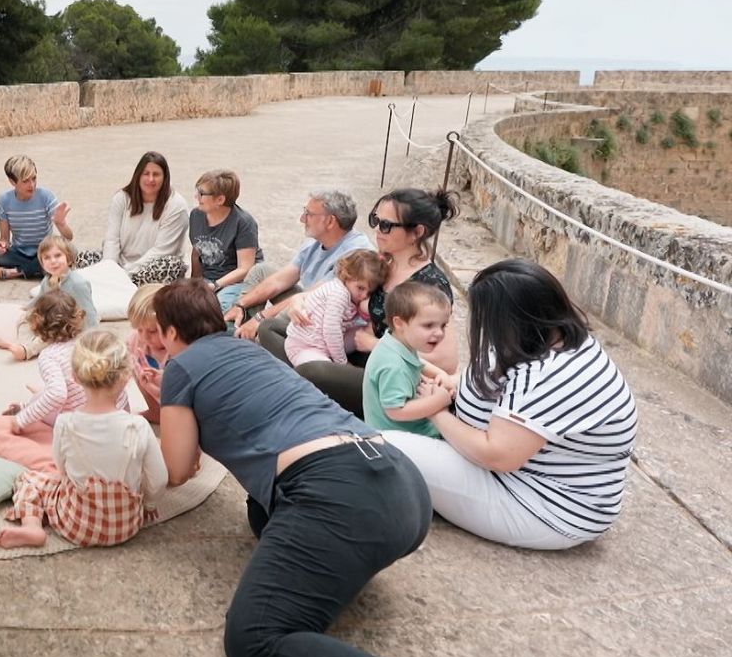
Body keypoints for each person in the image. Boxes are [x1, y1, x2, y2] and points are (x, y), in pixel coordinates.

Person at [153, 279, 430, 657]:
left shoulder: (180, 367)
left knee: (253, 641)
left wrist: (164, 403)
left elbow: (177, 470)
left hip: (341, 494)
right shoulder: (250, 349)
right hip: (403, 488)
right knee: (261, 513)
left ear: (170, 332)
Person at [387, 259, 637, 550]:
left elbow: (497, 455)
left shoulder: (549, 375)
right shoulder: (548, 338)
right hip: (515, 477)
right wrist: (453, 386)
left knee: (382, 446)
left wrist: (436, 413)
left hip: (538, 506)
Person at [263, 188, 459, 415]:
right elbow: (330, 288)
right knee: (270, 328)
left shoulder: (428, 284)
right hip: (353, 351)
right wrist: (298, 302)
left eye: (386, 225)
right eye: (375, 220)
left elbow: (446, 361)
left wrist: (374, 344)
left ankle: (302, 391)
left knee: (312, 372)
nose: (377, 229)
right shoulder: (382, 263)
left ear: (417, 232)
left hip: (388, 375)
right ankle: (303, 389)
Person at [0, 330, 168, 549]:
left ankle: (32, 527)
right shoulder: (139, 426)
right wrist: (149, 504)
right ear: (126, 377)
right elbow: (159, 479)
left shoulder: (65, 423)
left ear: (75, 377)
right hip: (127, 526)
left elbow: (62, 469)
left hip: (75, 525)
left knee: (28, 480)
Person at [226, 189, 373, 340]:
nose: (302, 219)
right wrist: (240, 304)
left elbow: (311, 298)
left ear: (330, 221)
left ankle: (249, 338)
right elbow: (279, 281)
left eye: (309, 214)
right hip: (308, 302)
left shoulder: (356, 255)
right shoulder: (316, 241)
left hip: (328, 323)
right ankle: (240, 328)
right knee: (261, 271)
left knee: (274, 321)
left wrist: (260, 318)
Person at [5, 290, 127, 431]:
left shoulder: (50, 356)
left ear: (36, 322)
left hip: (85, 423)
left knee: (48, 395)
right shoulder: (88, 343)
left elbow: (57, 395)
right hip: (120, 409)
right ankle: (32, 402)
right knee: (51, 390)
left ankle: (28, 407)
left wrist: (23, 419)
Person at [75, 151, 190, 285]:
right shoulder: (122, 198)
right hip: (121, 262)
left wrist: (126, 273)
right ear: (138, 175)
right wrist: (109, 269)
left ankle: (118, 285)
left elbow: (162, 251)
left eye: (156, 174)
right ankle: (114, 283)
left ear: (165, 178)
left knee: (169, 266)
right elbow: (112, 239)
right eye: (146, 173)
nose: (150, 179)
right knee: (84, 258)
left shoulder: (176, 205)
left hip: (153, 266)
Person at [362, 282, 454, 438]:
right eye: (428, 325)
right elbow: (396, 411)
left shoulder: (395, 342)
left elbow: (415, 361)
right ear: (399, 323)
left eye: (443, 325)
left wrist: (440, 373)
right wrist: (439, 401)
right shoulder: (393, 366)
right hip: (402, 438)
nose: (439, 333)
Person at [0, 154, 73, 281]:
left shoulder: (46, 197)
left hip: (45, 252)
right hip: (18, 253)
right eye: (25, 181)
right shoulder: (3, 201)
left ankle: (13, 272)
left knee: (71, 251)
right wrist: (1, 246)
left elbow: (69, 237)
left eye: (34, 178)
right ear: (12, 182)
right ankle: (41, 269)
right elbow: (4, 239)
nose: (32, 185)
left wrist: (61, 224)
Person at [283, 250, 386, 368]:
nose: (363, 296)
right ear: (347, 275)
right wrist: (342, 363)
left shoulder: (350, 294)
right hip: (304, 346)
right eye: (360, 288)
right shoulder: (339, 294)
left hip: (323, 344)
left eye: (369, 293)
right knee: (323, 369)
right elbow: (331, 331)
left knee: (362, 330)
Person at [10, 234, 98, 360]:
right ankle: (25, 338)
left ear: (68, 258)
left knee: (49, 336)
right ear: (42, 263)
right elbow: (40, 298)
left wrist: (91, 338)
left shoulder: (78, 284)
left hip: (69, 323)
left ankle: (28, 350)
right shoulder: (47, 280)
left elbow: (89, 312)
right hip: (50, 316)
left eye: (58, 256)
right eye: (47, 258)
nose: (53, 261)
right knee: (23, 319)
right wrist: (25, 309)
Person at [187, 169, 262, 316]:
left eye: (202, 193)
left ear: (220, 200)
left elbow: (245, 268)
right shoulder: (196, 215)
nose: (196, 196)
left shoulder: (244, 223)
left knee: (217, 311)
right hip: (208, 278)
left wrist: (215, 285)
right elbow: (197, 252)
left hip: (236, 281)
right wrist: (194, 284)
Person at [126, 283, 168, 427]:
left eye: (152, 331)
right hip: (148, 406)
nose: (144, 337)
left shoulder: (178, 349)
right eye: (139, 329)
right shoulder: (134, 340)